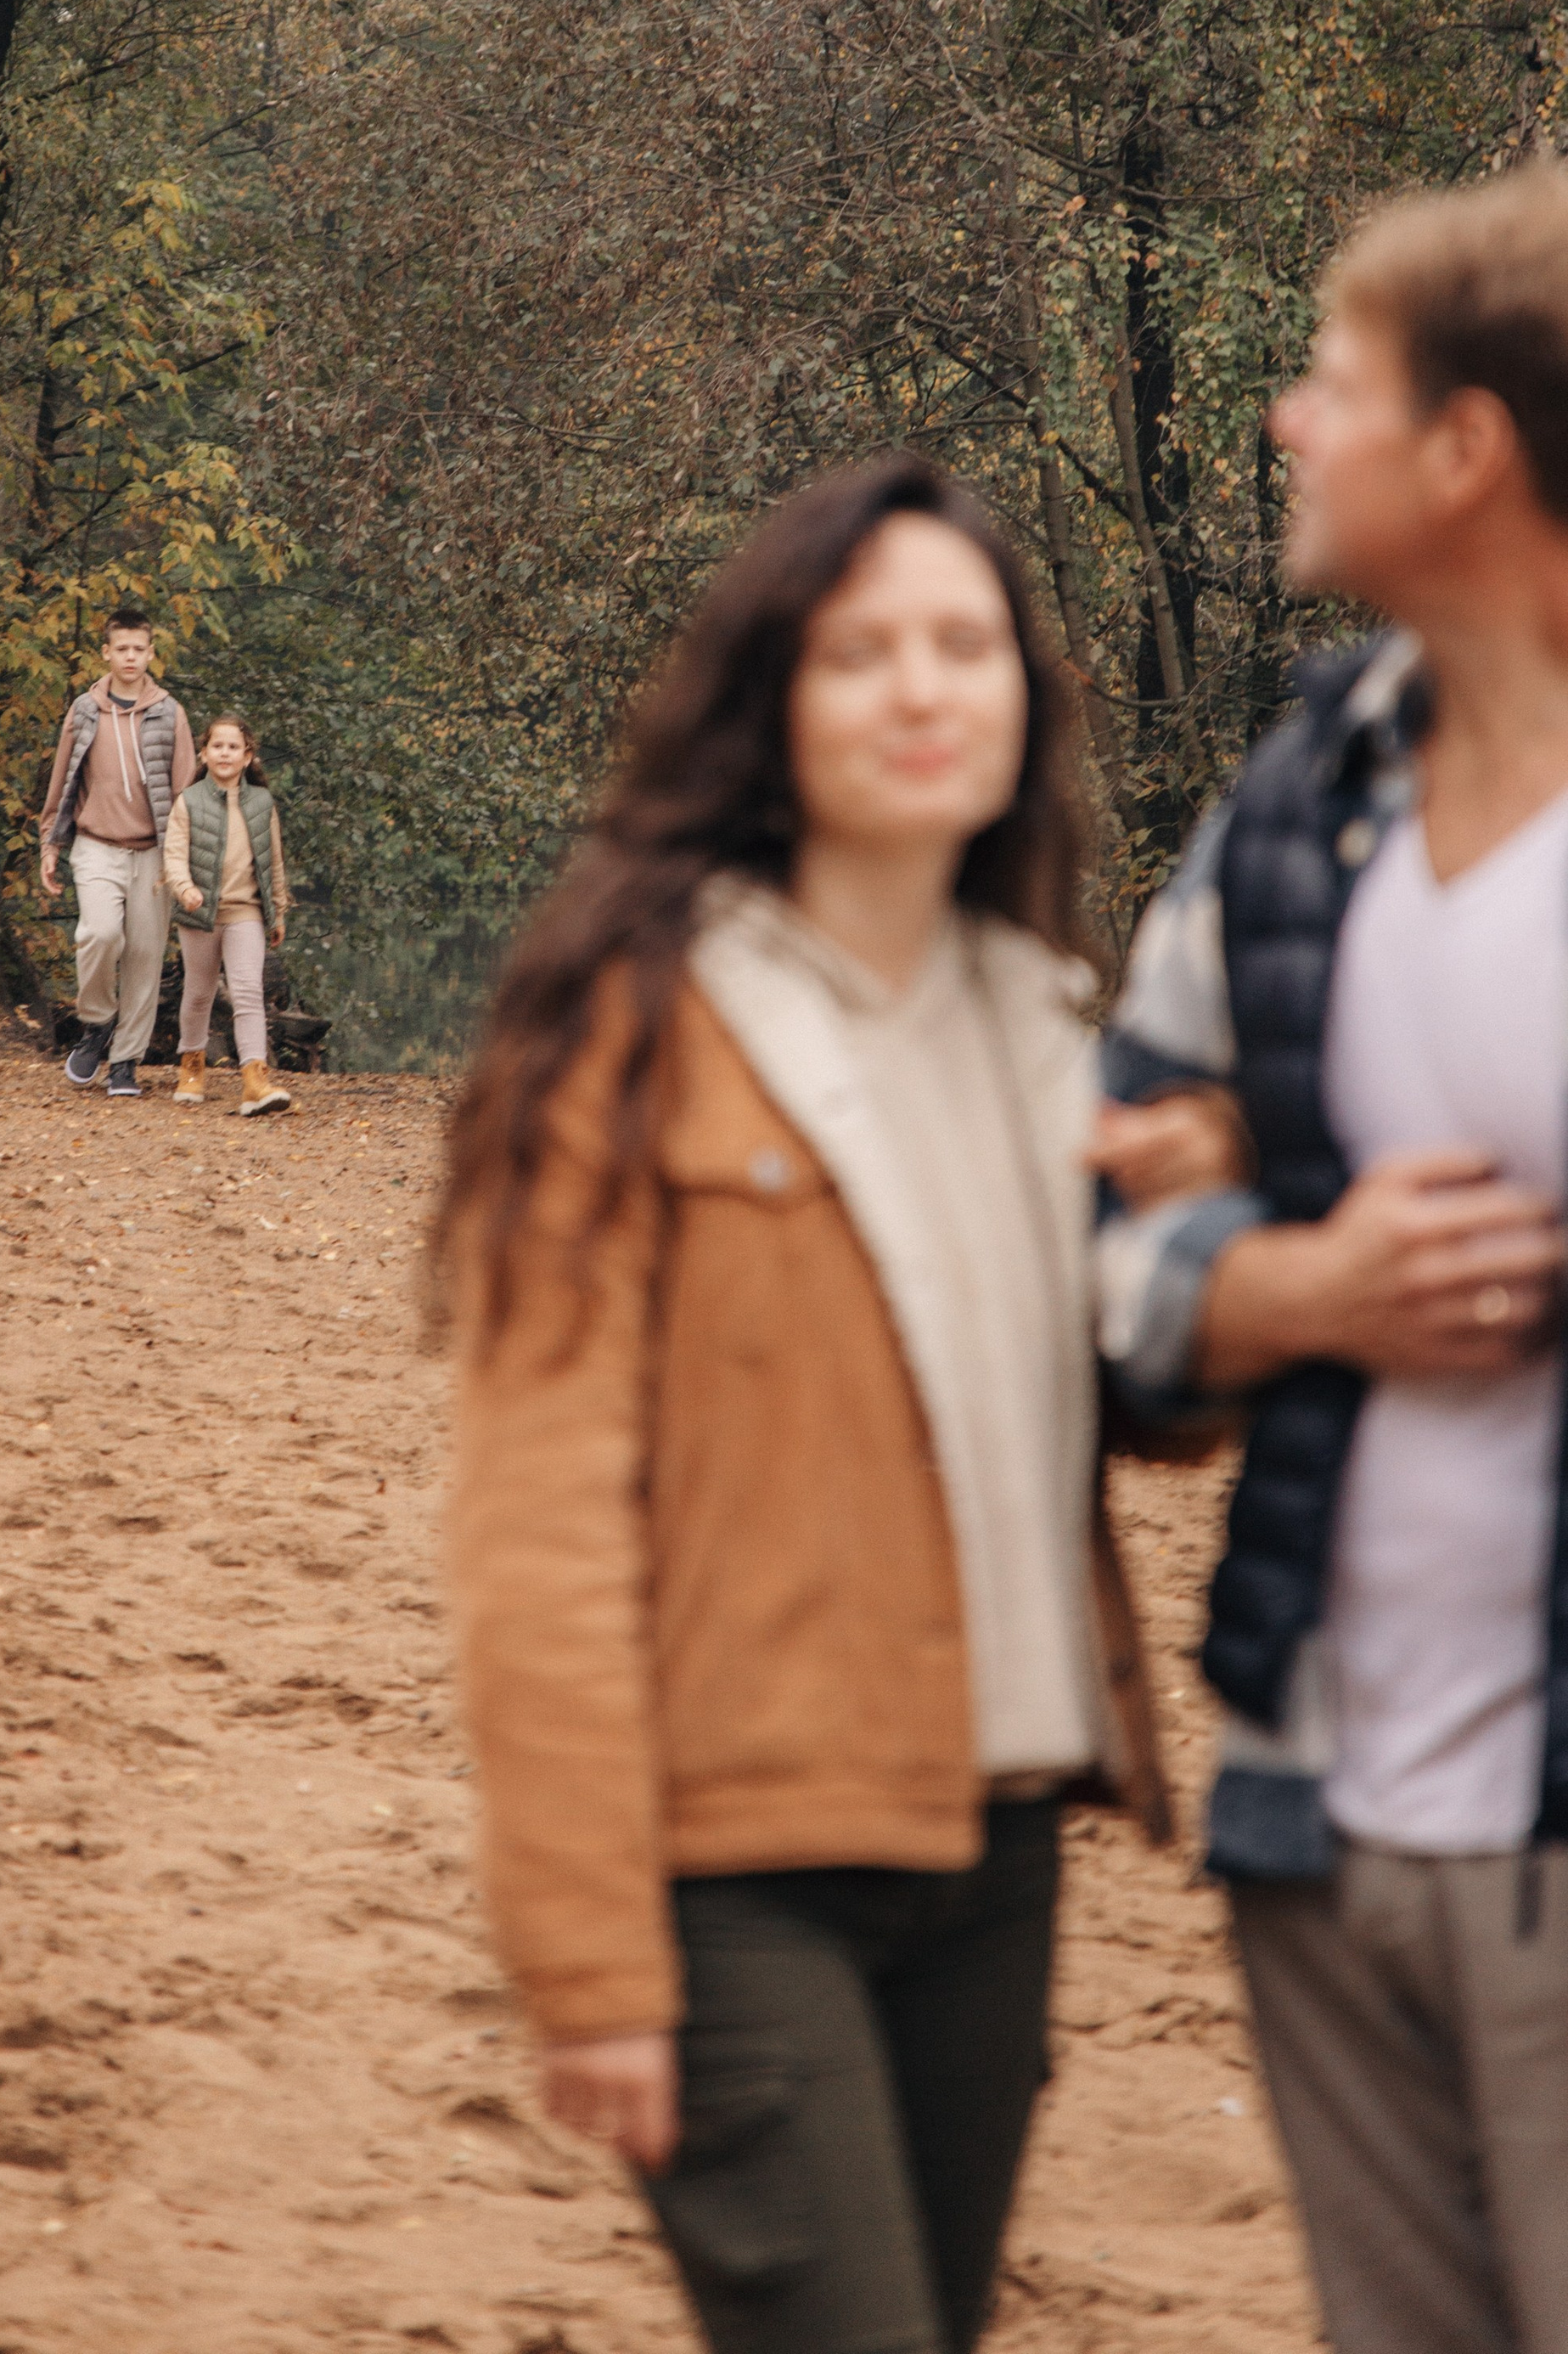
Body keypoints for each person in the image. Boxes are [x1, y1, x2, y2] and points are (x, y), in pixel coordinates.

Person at [439, 453, 1201, 2354]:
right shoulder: (628, 1025)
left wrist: (1217, 1250)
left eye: (966, 644)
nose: (923, 689)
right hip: (734, 1883)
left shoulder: (1045, 1021)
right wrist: (592, 1961)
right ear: (769, 697)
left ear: (1028, 698)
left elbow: (1115, 1417)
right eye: (862, 653)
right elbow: (534, 1532)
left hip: (999, 1846)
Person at [1097, 152, 1568, 2354]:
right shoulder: (1299, 807)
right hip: (1315, 1814)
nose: (1290, 418)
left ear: (1468, 450)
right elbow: (1090, 1268)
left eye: (1331, 378)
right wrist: (1282, 1289)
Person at [37, 606, 195, 1098]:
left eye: (139, 649)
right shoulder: (85, 709)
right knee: (99, 935)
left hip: (153, 853)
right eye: (121, 649)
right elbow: (62, 778)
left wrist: (183, 860)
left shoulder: (170, 712)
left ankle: (126, 1062)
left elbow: (187, 787)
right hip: (95, 846)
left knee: (146, 958)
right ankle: (97, 1023)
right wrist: (49, 841)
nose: (130, 657)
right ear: (106, 654)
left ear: (151, 654)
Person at [164, 712, 293, 1121]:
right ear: (204, 753)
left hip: (247, 912)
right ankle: (192, 1067)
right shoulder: (189, 801)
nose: (225, 753)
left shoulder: (261, 802)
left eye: (233, 747)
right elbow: (174, 856)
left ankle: (255, 1079)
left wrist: (279, 911)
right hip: (199, 913)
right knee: (199, 993)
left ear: (248, 755)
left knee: (247, 991)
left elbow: (274, 860)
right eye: (217, 746)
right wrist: (184, 889)